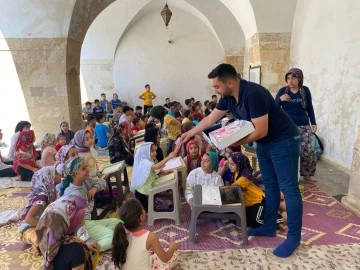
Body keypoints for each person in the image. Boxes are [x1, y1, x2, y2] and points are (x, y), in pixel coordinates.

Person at [181, 63, 302, 258]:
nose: (215, 90)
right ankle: (269, 226)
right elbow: (210, 119)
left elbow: (261, 129)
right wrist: (190, 133)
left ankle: (294, 238)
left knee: (288, 188)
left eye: (217, 87)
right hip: (265, 142)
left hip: (283, 140)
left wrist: (232, 141)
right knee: (269, 185)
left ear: (230, 82)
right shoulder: (228, 98)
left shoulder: (254, 94)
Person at [36, 158, 99, 270]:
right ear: (74, 174)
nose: (88, 170)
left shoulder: (53, 248)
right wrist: (81, 246)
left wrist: (83, 244)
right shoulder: (76, 251)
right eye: (83, 168)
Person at [275, 68, 318, 183]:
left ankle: (307, 174)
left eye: (294, 78)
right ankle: (289, 175)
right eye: (288, 78)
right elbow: (274, 107)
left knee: (308, 150)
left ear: (299, 78)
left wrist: (313, 122)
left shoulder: (305, 91)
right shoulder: (283, 91)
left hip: (304, 125)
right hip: (287, 127)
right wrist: (280, 99)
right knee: (288, 151)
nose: (291, 81)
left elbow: (309, 107)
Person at [111, 199, 178, 270]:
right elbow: (165, 258)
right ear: (141, 217)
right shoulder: (150, 236)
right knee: (174, 256)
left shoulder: (123, 234)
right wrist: (172, 248)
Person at [229, 152, 284, 228]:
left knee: (257, 221)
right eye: (229, 164)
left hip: (257, 202)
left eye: (232, 164)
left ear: (239, 164)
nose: (230, 166)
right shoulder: (236, 173)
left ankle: (281, 217)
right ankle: (275, 208)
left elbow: (230, 189)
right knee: (242, 219)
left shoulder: (244, 177)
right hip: (248, 203)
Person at [18, 164, 63, 255]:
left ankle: (37, 245)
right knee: (42, 238)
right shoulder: (42, 197)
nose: (60, 176)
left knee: (57, 235)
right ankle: (36, 244)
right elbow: (28, 219)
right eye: (56, 173)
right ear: (48, 178)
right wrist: (47, 225)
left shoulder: (49, 193)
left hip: (39, 224)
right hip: (27, 227)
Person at [130, 142, 175, 211]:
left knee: (156, 205)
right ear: (145, 152)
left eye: (155, 150)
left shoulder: (148, 160)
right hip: (143, 193)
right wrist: (168, 157)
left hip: (147, 188)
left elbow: (155, 170)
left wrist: (163, 171)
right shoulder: (144, 162)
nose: (155, 153)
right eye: (152, 151)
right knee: (149, 209)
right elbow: (156, 167)